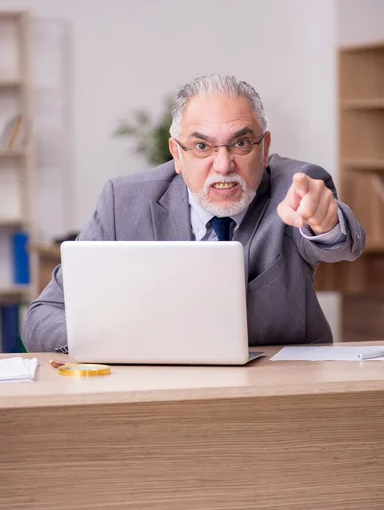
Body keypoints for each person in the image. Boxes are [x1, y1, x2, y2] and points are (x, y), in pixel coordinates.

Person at [23, 74, 365, 352]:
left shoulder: (297, 186)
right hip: (159, 390)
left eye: (241, 143)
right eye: (202, 146)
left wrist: (325, 223)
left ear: (265, 148)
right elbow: (43, 315)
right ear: (177, 153)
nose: (223, 164)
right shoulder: (123, 201)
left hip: (283, 391)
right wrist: (107, 345)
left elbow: (342, 243)